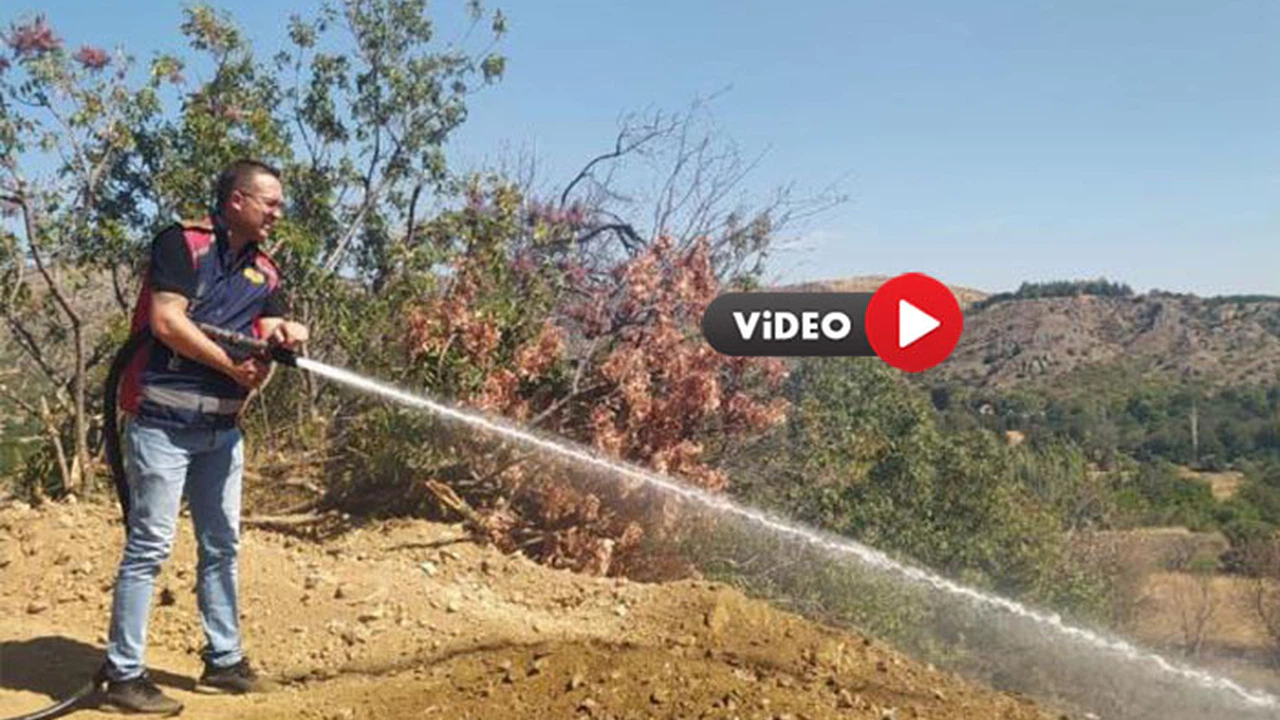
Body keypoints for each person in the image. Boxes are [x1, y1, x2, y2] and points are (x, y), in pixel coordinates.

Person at [102, 159, 309, 714]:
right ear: (237, 200)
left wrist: (287, 335)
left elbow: (271, 325)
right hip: (163, 426)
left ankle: (224, 661)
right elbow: (167, 321)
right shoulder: (182, 244)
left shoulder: (265, 271)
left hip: (222, 432)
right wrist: (229, 365)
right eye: (270, 202)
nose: (278, 213)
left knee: (222, 545)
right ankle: (124, 675)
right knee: (150, 546)